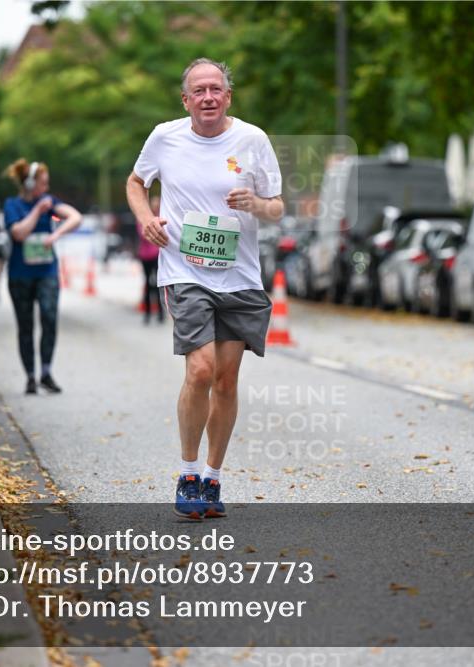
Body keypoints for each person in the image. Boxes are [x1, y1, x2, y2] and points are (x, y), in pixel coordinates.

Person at [126, 58, 284, 520]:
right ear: (186, 99)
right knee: (200, 371)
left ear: (228, 97)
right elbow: (137, 183)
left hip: (239, 276)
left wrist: (256, 203)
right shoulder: (165, 137)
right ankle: (188, 471)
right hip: (184, 270)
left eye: (216, 89)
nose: (208, 97)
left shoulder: (252, 140)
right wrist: (146, 219)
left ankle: (213, 478)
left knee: (226, 379)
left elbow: (276, 208)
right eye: (199, 90)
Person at [3, 159, 82, 394]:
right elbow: (18, 232)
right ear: (29, 183)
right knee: (25, 325)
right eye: (42, 184)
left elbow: (75, 217)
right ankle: (30, 375)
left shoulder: (49, 202)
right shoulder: (12, 205)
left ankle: (46, 371)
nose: (45, 189)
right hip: (20, 275)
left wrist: (55, 235)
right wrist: (38, 211)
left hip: (46, 272)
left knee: (49, 318)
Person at [137, 196, 164, 324]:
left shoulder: (162, 217)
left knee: (159, 284)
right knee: (148, 284)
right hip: (145, 255)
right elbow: (143, 233)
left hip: (157, 255)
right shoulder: (145, 218)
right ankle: (147, 313)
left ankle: (160, 313)